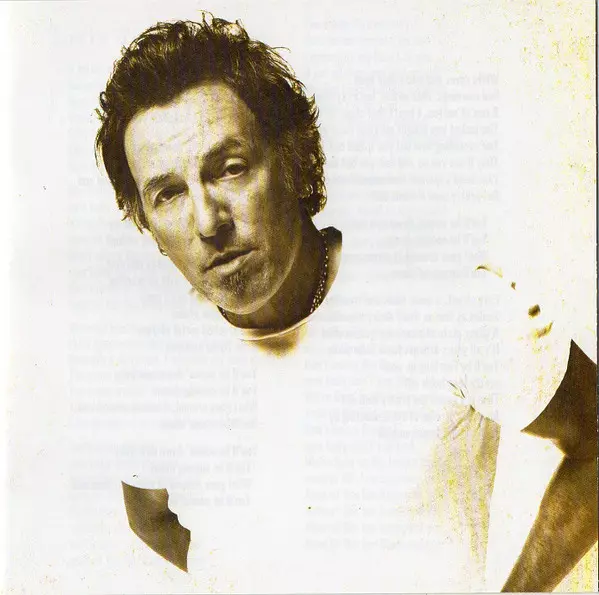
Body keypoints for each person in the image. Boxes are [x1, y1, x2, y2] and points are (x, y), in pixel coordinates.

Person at [95, 15, 597, 592]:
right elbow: (148, 517)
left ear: (292, 160)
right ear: (148, 225)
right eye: (168, 194)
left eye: (230, 169)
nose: (208, 221)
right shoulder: (149, 361)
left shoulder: (440, 299)